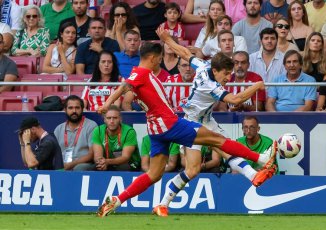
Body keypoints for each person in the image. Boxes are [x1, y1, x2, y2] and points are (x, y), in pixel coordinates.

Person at [96, 39, 277, 218]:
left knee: (155, 174)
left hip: (156, 128)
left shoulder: (148, 72)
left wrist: (167, 38)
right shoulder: (141, 74)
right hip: (171, 123)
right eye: (159, 59)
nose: (161, 62)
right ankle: (261, 159)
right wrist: (107, 104)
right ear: (152, 58)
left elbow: (184, 53)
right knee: (219, 141)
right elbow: (124, 85)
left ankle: (117, 200)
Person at [151, 28, 277, 216]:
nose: (228, 78)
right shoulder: (210, 85)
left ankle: (162, 203)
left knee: (205, 163)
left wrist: (167, 39)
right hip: (191, 125)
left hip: (206, 121)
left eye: (230, 74)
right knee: (214, 155)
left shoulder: (202, 66)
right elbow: (235, 100)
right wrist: (257, 86)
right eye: (226, 74)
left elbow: (185, 53)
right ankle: (257, 166)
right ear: (215, 70)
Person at [54, 95, 98, 171]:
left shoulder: (91, 125)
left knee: (79, 168)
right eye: (70, 108)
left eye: (77, 108)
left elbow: (91, 154)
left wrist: (71, 164)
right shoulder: (59, 129)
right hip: (63, 165)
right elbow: (53, 154)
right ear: (65, 110)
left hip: (83, 165)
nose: (74, 111)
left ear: (82, 109)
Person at [92, 105, 141, 171]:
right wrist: (102, 163)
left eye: (115, 118)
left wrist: (107, 162)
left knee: (122, 168)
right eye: (109, 118)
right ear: (104, 120)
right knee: (96, 166)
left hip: (130, 163)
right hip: (107, 162)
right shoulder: (98, 130)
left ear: (120, 119)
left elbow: (125, 158)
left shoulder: (129, 131)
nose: (112, 121)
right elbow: (97, 156)